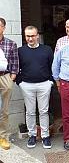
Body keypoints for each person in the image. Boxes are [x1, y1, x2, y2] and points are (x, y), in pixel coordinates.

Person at [17, 26, 53, 149]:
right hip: (27, 85)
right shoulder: (20, 51)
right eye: (28, 36)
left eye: (32, 35)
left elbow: (52, 66)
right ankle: (32, 135)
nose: (30, 38)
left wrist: (50, 81)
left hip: (44, 84)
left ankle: (45, 136)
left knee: (44, 111)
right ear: (25, 36)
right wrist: (20, 82)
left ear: (38, 36)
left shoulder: (47, 50)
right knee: (30, 112)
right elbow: (16, 68)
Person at [0, 17, 19, 150]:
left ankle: (3, 137)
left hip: (4, 77)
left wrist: (11, 78)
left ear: (4, 27)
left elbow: (14, 62)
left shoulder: (10, 43)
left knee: (4, 110)